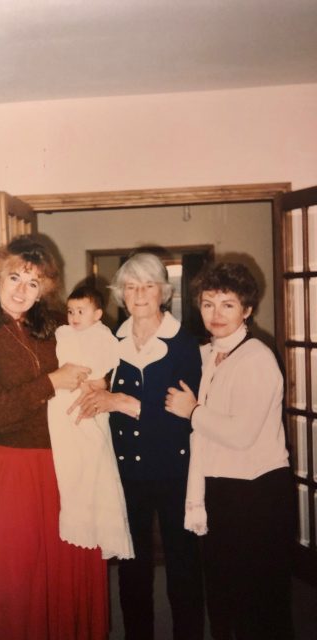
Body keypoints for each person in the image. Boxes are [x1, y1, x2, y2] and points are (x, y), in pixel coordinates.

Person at [0, 236, 109, 640]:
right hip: (20, 466)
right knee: (22, 573)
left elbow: (98, 353)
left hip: (70, 459)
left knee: (71, 559)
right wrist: (52, 382)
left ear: (45, 290)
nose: (23, 290)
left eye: (34, 282)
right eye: (15, 278)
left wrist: (100, 386)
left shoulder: (58, 325)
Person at [74, 252, 205, 640]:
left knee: (181, 563)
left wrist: (122, 402)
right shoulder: (108, 338)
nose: (140, 294)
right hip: (125, 469)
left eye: (148, 285)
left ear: (163, 291)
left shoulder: (183, 343)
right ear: (121, 295)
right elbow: (96, 387)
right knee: (131, 563)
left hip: (172, 468)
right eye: (131, 287)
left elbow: (182, 411)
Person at [165, 261, 294, 640]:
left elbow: (240, 435)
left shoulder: (257, 358)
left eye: (228, 304)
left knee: (259, 601)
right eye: (208, 304)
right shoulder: (206, 355)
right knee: (222, 596)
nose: (216, 314)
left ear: (247, 310)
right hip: (219, 489)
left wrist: (193, 412)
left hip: (256, 493)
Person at [48, 284, 134, 560]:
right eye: (70, 311)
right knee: (68, 463)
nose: (73, 317)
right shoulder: (63, 332)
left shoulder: (102, 336)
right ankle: (76, 516)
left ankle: (99, 521)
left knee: (94, 459)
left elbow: (103, 373)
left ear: (97, 314)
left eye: (81, 311)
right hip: (62, 401)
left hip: (89, 400)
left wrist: (91, 383)